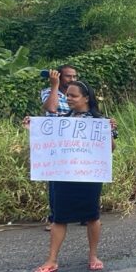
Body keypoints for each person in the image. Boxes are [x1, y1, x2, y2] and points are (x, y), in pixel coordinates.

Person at [31, 81, 117, 272]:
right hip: (62, 176)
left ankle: (93, 256)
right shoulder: (61, 121)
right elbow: (46, 140)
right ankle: (52, 259)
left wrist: (108, 132)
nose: (69, 99)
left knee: (92, 216)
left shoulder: (100, 121)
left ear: (86, 98)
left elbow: (110, 149)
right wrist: (33, 128)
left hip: (88, 176)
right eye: (67, 95)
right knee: (58, 217)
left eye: (73, 96)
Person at [39, 64, 79, 231]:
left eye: (74, 77)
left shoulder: (78, 93)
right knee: (57, 182)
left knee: (80, 177)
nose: (72, 79)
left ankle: (83, 216)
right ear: (60, 77)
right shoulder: (48, 92)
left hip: (76, 142)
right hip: (57, 144)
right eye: (69, 76)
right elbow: (51, 108)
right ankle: (55, 218)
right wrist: (54, 85)